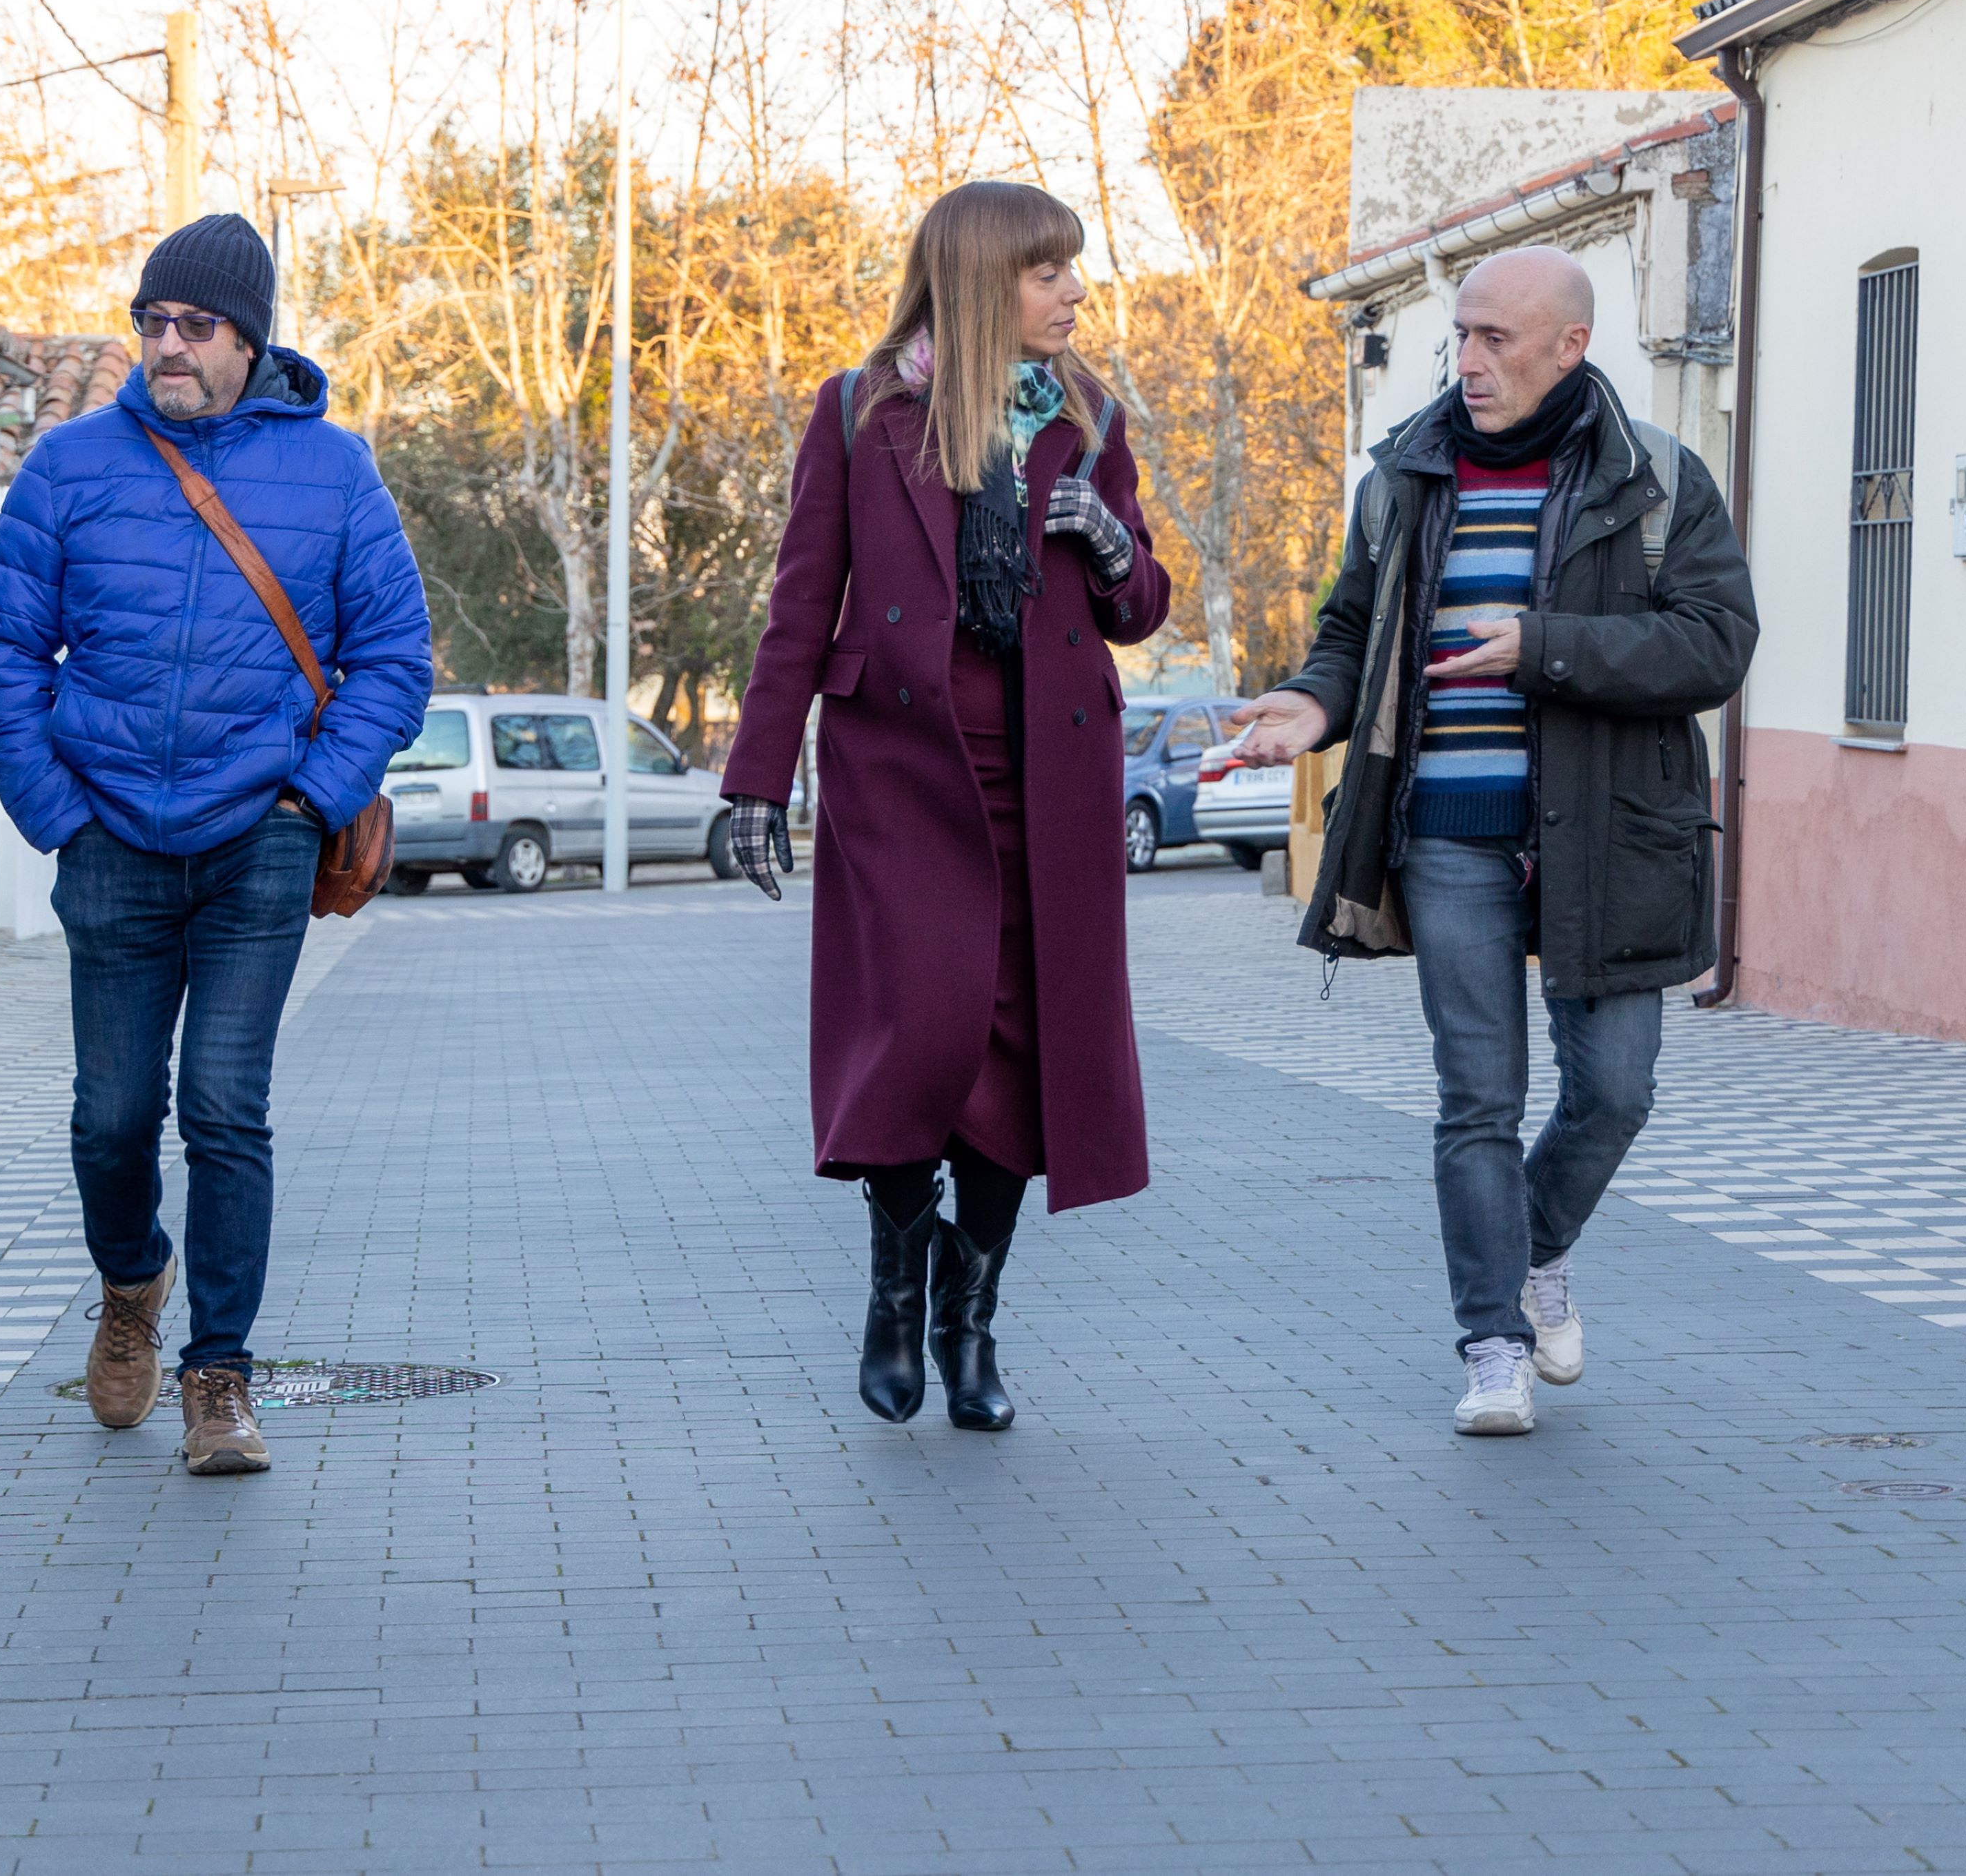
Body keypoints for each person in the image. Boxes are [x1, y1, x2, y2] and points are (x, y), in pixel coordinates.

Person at [1229, 244, 1756, 1435]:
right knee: (1478, 1096)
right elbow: (1351, 629)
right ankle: (1491, 1345)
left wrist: (1545, 644)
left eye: (1496, 339)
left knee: (1616, 1089)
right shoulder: (1404, 476)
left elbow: (1717, 644)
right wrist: (1312, 706)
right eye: (1460, 336)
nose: (1468, 360)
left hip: (1613, 838)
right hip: (1450, 836)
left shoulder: (1657, 476)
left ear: (1571, 346)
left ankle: (1537, 1242)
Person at [0, 213, 431, 1477]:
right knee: (111, 1117)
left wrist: (313, 797)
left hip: (258, 844)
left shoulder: (335, 474)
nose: (167, 346)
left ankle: (216, 1373)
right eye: (152, 322)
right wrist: (55, 810)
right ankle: (132, 1281)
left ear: (250, 339)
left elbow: (396, 656)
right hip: (108, 834)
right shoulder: (69, 466)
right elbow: (1, 647)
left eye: (195, 326)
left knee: (227, 1106)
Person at [722, 180, 1170, 1432]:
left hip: (1052, 784)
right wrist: (758, 773)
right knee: (918, 1036)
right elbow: (802, 603)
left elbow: (1140, 607)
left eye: (1073, 273)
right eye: (1048, 274)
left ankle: (971, 1323)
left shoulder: (1087, 418)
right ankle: (893, 1275)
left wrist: (1112, 542)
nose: (1074, 293)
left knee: (1019, 1061)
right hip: (902, 784)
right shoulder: (864, 412)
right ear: (982, 282)